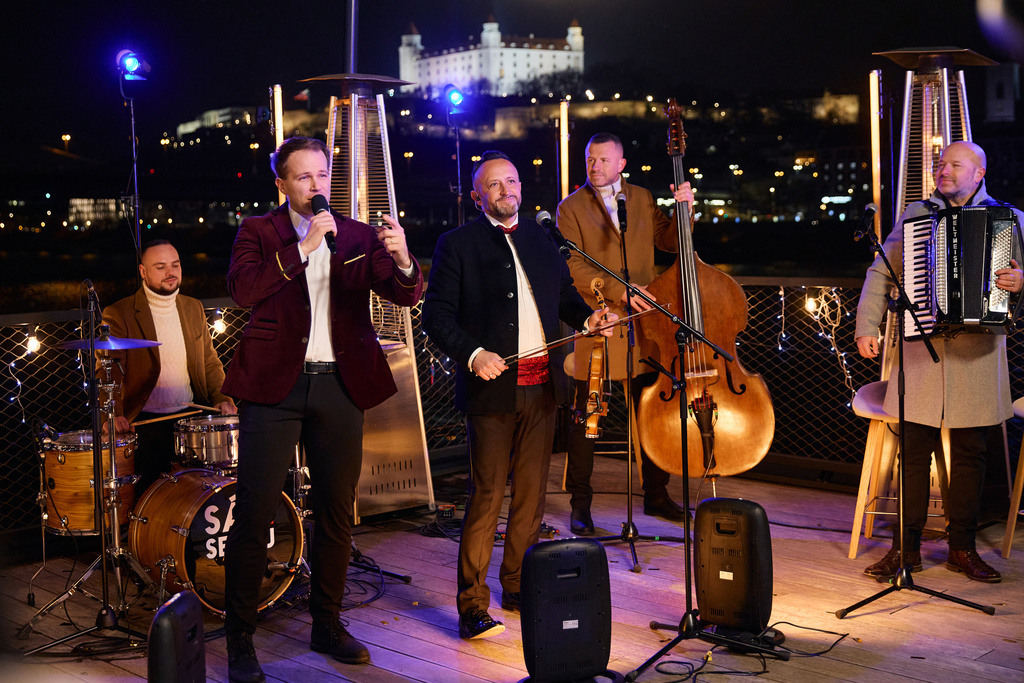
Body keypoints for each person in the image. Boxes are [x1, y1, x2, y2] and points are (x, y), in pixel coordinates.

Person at [221, 136, 424, 682]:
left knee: (336, 509)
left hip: (340, 384)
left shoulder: (356, 235)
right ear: (282, 183)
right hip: (274, 388)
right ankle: (240, 636)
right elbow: (243, 291)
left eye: (322, 175)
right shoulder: (258, 231)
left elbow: (404, 294)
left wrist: (404, 260)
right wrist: (303, 247)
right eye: (304, 177)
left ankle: (327, 624)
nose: (316, 186)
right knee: (255, 511)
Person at [421, 150, 615, 640]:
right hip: (491, 390)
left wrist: (588, 318)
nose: (506, 190)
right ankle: (472, 605)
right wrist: (473, 354)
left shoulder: (541, 236)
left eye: (511, 181)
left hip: (544, 387)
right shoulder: (456, 244)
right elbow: (436, 317)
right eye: (494, 184)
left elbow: (565, 298)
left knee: (531, 497)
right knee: (487, 496)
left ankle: (517, 587)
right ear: (477, 196)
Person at [855, 140, 1024, 583]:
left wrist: (1021, 280)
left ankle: (962, 550)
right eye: (940, 164)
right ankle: (904, 551)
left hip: (978, 353)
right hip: (921, 353)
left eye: (954, 165)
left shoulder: (1010, 218)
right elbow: (882, 271)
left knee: (971, 454)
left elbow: (1020, 280)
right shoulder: (916, 215)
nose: (943, 170)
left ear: (979, 173)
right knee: (912, 454)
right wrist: (866, 325)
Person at [555, 132, 694, 535]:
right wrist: (620, 291)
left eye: (603, 160)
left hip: (647, 324)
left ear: (621, 164)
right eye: (590, 159)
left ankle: (656, 494)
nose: (594, 166)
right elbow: (572, 266)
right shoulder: (569, 207)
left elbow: (669, 242)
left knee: (652, 411)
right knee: (588, 415)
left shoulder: (642, 197)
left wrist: (684, 210)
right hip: (599, 321)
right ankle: (580, 505)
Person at [100, 239, 236, 493]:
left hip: (191, 421)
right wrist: (114, 414)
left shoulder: (193, 307)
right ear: (143, 271)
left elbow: (209, 362)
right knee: (150, 500)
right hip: (144, 424)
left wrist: (221, 398)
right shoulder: (119, 313)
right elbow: (109, 372)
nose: (170, 272)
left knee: (197, 497)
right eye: (160, 267)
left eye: (175, 265)